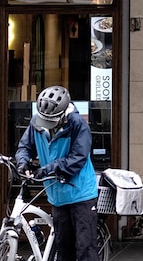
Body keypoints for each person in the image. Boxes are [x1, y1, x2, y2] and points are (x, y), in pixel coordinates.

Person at [16, 85, 99, 261]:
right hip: (58, 196)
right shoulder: (36, 122)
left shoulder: (78, 125)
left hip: (81, 194)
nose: (46, 124)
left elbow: (77, 158)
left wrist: (47, 169)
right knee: (63, 249)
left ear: (62, 115)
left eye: (51, 120)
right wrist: (23, 163)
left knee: (86, 249)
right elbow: (24, 146)